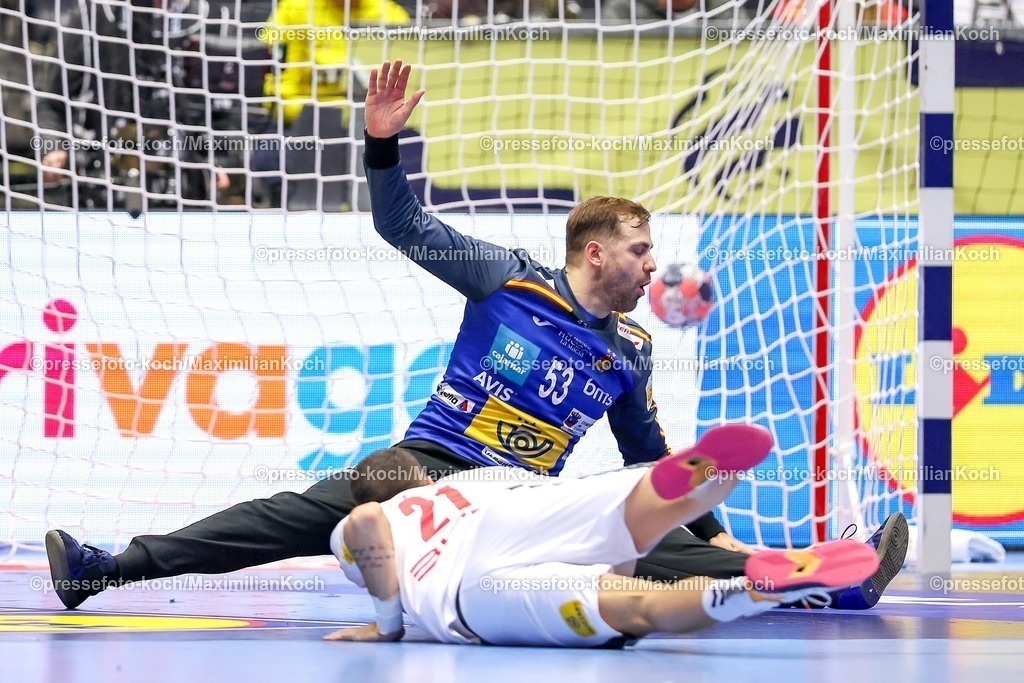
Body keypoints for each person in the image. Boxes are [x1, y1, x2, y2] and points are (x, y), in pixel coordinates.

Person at [45, 59, 905, 614]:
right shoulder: (507, 278)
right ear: (595, 251)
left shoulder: (630, 352)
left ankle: (822, 581)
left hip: (523, 502)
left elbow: (654, 463)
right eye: (642, 251)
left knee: (655, 543)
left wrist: (721, 538)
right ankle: (103, 569)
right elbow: (403, 225)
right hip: (427, 469)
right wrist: (381, 145)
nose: (655, 268)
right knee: (277, 517)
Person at [321, 427, 879, 645]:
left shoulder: (370, 517)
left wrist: (387, 627)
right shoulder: (468, 482)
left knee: (639, 610)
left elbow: (369, 527)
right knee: (628, 517)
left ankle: (760, 590)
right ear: (423, 478)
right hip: (510, 509)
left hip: (470, 596)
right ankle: (705, 488)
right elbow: (572, 520)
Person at [36, 0, 229, 210]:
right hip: (100, 194)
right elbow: (50, 102)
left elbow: (224, 109)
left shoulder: (207, 19)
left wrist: (222, 161)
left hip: (185, 197)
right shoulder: (91, 17)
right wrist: (54, 147)